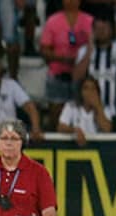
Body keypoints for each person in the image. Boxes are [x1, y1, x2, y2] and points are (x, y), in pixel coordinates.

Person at [73, 11, 116, 132]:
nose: (101, 31)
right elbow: (76, 78)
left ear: (112, 29)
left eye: (104, 28)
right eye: (97, 28)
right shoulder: (84, 52)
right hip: (89, 115)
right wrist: (90, 51)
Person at [40, 0, 93, 130]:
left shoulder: (89, 21)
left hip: (81, 78)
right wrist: (63, 58)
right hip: (58, 76)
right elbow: (44, 50)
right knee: (56, 118)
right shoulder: (52, 21)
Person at [57, 75, 112, 146]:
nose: (90, 92)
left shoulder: (105, 109)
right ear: (80, 92)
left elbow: (107, 129)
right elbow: (60, 127)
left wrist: (98, 108)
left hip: (97, 148)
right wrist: (75, 130)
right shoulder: (71, 106)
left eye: (93, 88)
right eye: (86, 88)